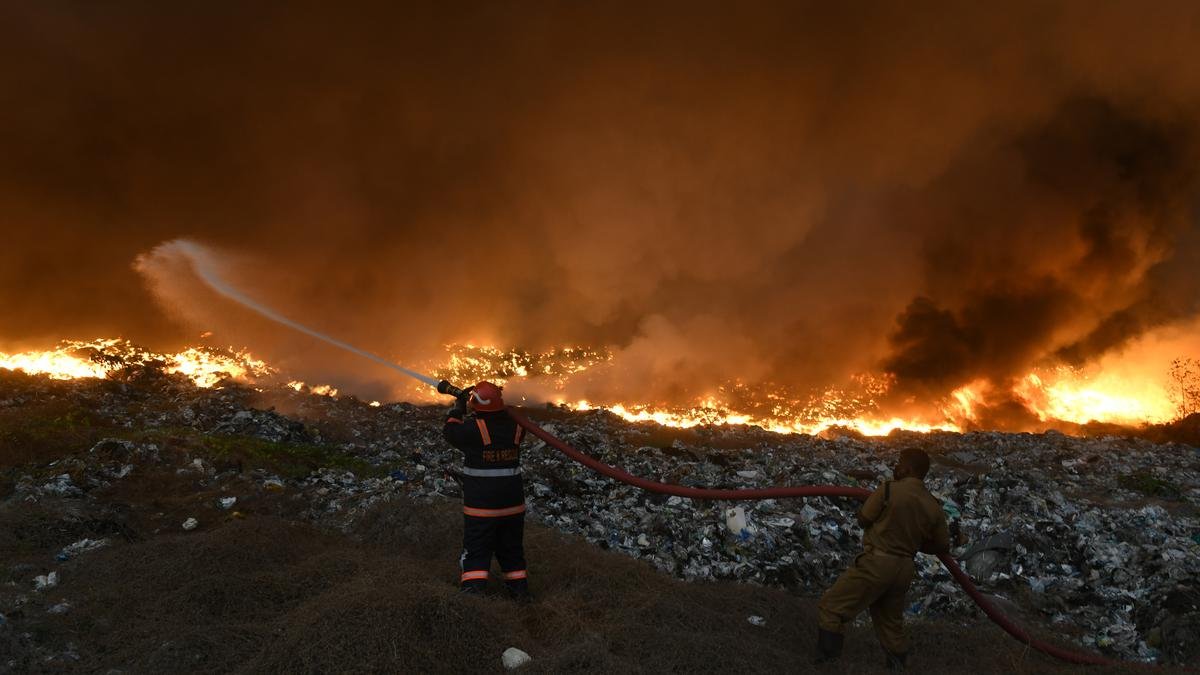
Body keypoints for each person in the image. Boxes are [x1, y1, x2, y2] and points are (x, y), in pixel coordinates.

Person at [814, 447, 950, 671]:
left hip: (877, 564)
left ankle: (826, 665)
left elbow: (863, 519)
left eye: (899, 462)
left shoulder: (888, 490)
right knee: (891, 625)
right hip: (904, 569)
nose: (896, 466)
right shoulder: (932, 504)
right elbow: (942, 545)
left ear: (908, 468)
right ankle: (897, 668)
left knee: (832, 607)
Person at [442, 381, 531, 601]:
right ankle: (521, 597)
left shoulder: (474, 430)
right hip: (513, 506)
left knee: (476, 553)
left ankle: (473, 599)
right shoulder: (517, 426)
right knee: (512, 552)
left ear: (477, 405)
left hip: (482, 508)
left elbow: (451, 431)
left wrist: (458, 407)